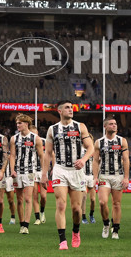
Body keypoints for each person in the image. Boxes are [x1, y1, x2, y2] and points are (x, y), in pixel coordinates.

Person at [41, 100, 94, 250]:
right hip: (60, 169)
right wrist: (44, 174)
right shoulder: (52, 129)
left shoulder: (80, 126)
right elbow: (48, 153)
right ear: (59, 111)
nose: (71, 110)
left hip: (76, 171)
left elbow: (90, 147)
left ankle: (76, 232)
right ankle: (62, 240)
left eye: (71, 107)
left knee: (77, 209)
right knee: (61, 204)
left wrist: (83, 160)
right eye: (67, 107)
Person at [92, 116, 130, 240]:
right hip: (104, 175)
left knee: (116, 204)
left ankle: (116, 230)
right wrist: (95, 177)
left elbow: (125, 159)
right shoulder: (99, 142)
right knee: (102, 203)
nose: (114, 125)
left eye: (115, 124)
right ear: (105, 126)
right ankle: (106, 224)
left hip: (118, 176)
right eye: (111, 124)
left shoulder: (122, 141)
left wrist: (126, 177)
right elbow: (96, 161)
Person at [10, 114, 45, 234]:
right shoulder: (14, 138)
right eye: (17, 123)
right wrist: (12, 170)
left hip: (30, 172)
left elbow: (41, 155)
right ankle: (21, 224)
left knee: (28, 198)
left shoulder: (36, 138)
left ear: (26, 124)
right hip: (17, 172)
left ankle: (26, 225)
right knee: (19, 200)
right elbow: (13, 155)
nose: (17, 125)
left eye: (19, 123)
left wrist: (44, 172)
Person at [30, 124, 48, 225]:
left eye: (35, 133)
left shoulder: (44, 141)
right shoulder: (28, 142)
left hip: (42, 171)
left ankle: (42, 211)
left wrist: (52, 168)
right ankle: (37, 217)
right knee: (35, 195)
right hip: (32, 170)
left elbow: (52, 154)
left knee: (43, 196)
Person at [81, 134, 96, 224]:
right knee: (84, 196)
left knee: (93, 199)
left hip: (91, 176)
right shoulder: (80, 149)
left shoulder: (93, 150)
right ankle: (83, 217)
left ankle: (91, 214)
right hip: (82, 175)